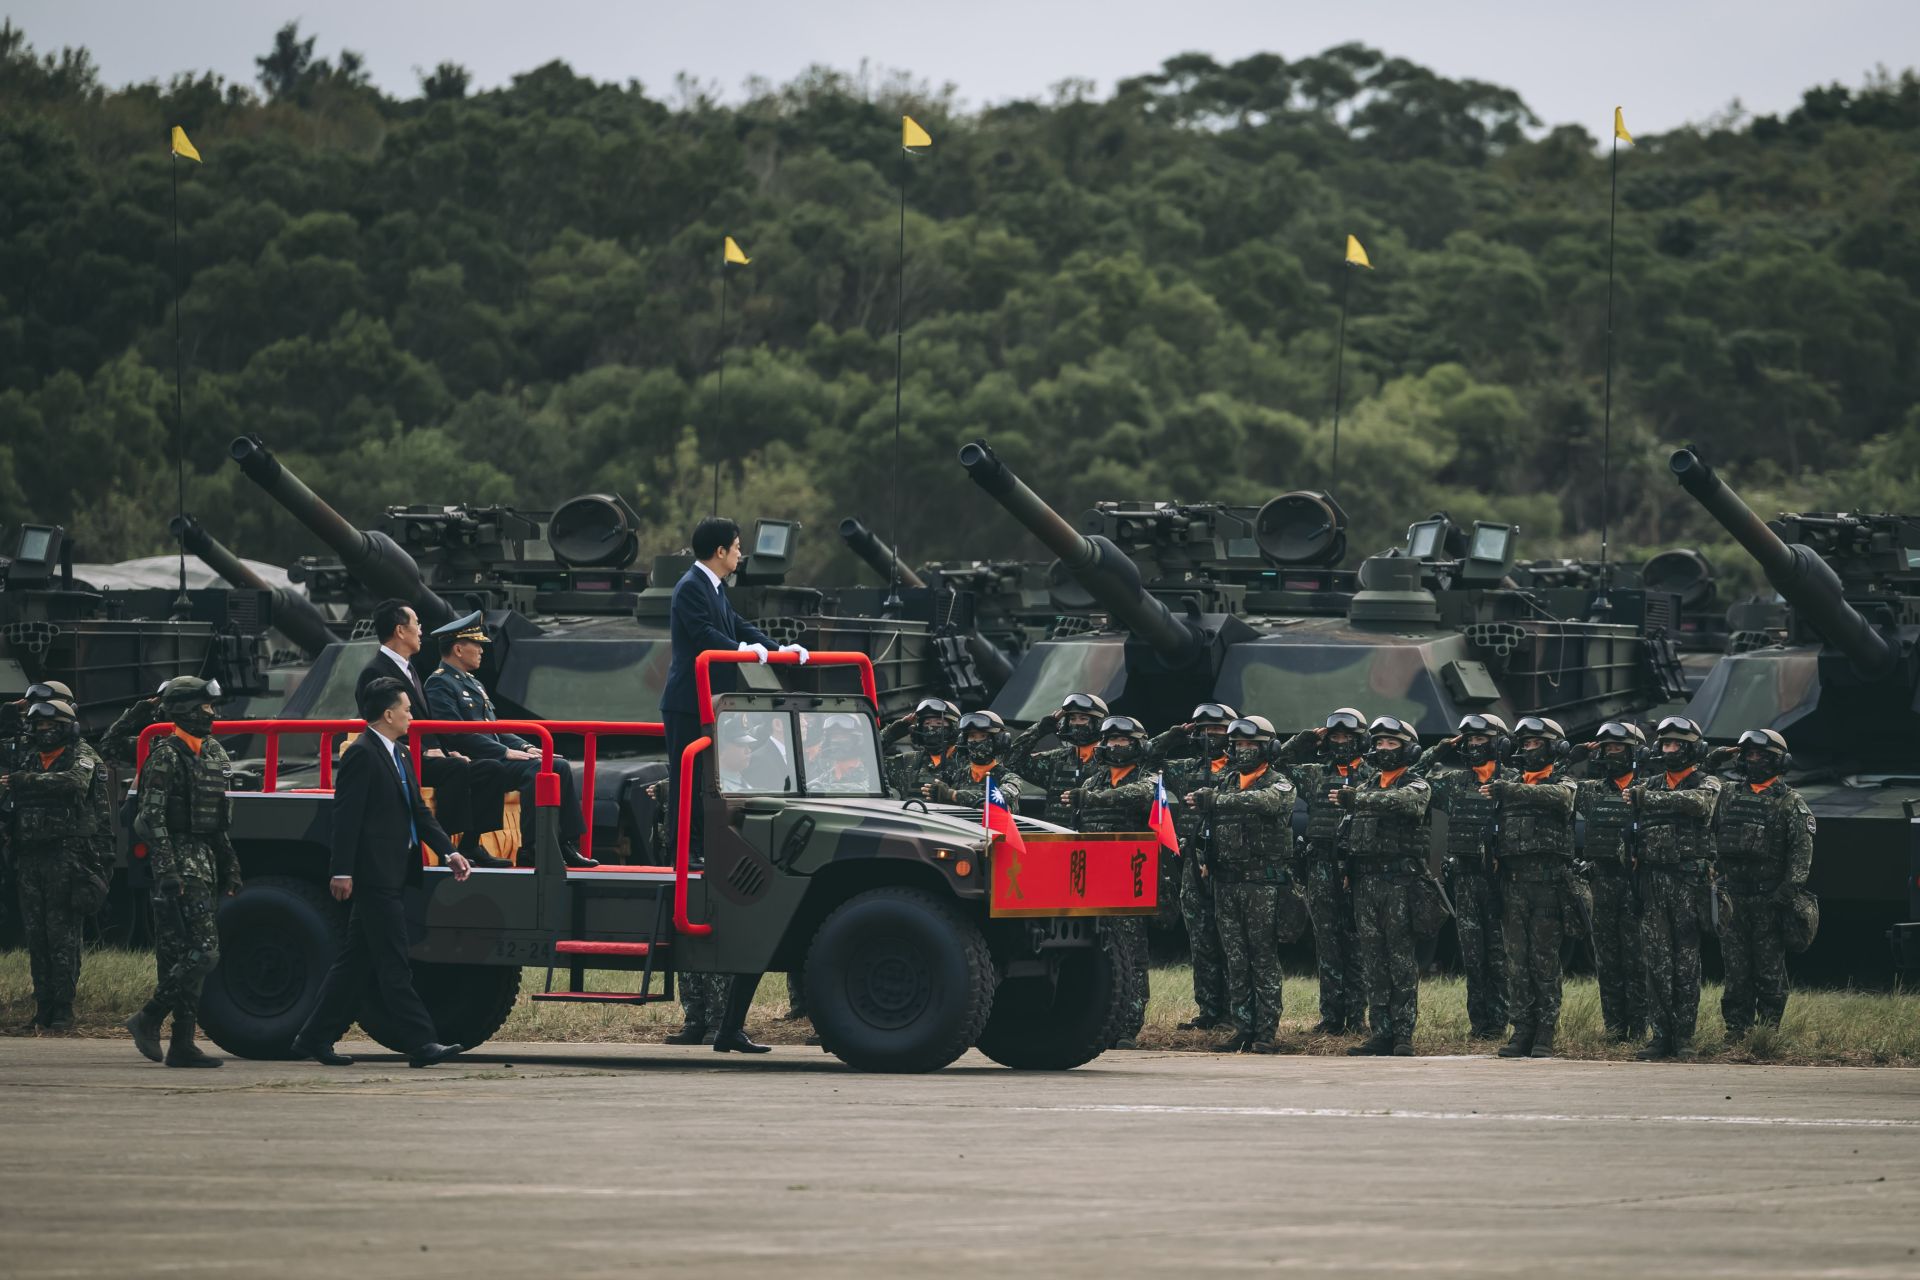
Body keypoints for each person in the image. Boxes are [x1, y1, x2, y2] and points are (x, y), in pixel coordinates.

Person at [657, 515, 808, 1055]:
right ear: (720, 550)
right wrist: (755, 655)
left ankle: (703, 843)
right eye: (738, 548)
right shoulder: (691, 588)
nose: (742, 555)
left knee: (713, 785)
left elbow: (739, 628)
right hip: (686, 701)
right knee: (689, 782)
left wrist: (780, 650)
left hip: (712, 700)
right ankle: (691, 847)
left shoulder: (715, 587)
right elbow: (707, 639)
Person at [291, 678, 471, 1069]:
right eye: (406, 708)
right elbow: (346, 816)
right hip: (373, 876)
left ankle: (313, 1036)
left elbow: (418, 813)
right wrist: (341, 870)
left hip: (396, 872)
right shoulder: (362, 754)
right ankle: (422, 1043)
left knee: (355, 962)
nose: (411, 714)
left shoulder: (402, 754)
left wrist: (450, 851)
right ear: (388, 714)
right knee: (393, 961)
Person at [124, 677, 244, 1068]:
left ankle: (182, 1043)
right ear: (182, 710)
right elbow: (148, 819)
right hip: (179, 864)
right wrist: (167, 869)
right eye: (203, 707)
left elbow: (218, 819)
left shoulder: (212, 753)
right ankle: (149, 1016)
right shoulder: (165, 756)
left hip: (205, 861)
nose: (211, 713)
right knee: (204, 952)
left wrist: (230, 865)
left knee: (191, 953)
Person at [424, 611, 598, 868]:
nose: (482, 650)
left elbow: (496, 727)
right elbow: (456, 733)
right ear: (459, 649)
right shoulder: (439, 683)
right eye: (477, 645)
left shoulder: (473, 684)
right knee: (535, 771)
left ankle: (564, 843)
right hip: (476, 760)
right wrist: (503, 753)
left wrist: (525, 746)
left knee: (557, 765)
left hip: (493, 755)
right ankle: (532, 847)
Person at [356, 598, 514, 867]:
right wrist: (428, 750)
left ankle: (470, 845)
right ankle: (444, 847)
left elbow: (426, 720)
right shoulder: (376, 671)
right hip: (400, 756)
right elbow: (382, 724)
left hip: (425, 752)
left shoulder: (410, 668)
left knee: (490, 769)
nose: (420, 630)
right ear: (399, 631)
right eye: (416, 624)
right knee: (454, 769)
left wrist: (447, 748)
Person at [1, 699, 112, 1032]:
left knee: (62, 937)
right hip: (30, 858)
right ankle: (43, 1011)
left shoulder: (82, 755)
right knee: (37, 938)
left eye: (51, 727)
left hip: (66, 859)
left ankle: (63, 1012)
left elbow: (76, 782)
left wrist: (25, 781)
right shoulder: (30, 757)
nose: (44, 732)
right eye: (39, 727)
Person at [1187, 716, 1294, 1053]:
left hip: (1261, 885)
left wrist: (1214, 800)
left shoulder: (1280, 784)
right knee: (1235, 959)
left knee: (1262, 958)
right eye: (1239, 745)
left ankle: (1266, 1031)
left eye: (1252, 744)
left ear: (1268, 748)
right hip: (1226, 884)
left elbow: (1268, 803)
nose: (1244, 750)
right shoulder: (1224, 783)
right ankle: (1242, 1026)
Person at [1058, 714, 1159, 1048]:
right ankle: (1096, 1019)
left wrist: (1091, 800)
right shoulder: (1093, 781)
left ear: (1138, 744)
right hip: (1094, 878)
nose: (1116, 746)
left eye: (1123, 741)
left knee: (1131, 954)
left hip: (1129, 878)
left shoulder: (1148, 779)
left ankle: (1129, 1024)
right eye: (1111, 741)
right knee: (1094, 952)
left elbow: (1136, 796)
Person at [1333, 716, 1431, 1057]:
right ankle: (1381, 1032)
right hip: (1366, 883)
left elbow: (1404, 803)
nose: (1383, 749)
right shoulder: (1364, 787)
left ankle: (1403, 1033)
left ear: (1408, 749)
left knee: (1400, 960)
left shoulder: (1417, 785)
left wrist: (1357, 801)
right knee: (1373, 961)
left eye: (1391, 743)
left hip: (1400, 885)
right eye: (1379, 743)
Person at [1709, 729, 1814, 1038]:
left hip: (1770, 899)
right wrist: (1725, 753)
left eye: (1761, 755)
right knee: (1736, 970)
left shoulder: (1790, 802)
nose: (1754, 760)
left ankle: (1768, 1032)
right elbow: (1698, 771)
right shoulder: (1727, 794)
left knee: (1768, 971)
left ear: (1778, 761)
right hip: (1734, 899)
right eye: (1749, 754)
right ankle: (1737, 1029)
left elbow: (1801, 854)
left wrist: (1786, 893)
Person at [1628, 716, 1721, 1060]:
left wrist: (1645, 799)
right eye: (1665, 744)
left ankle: (1685, 1038)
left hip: (1688, 884)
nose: (1668, 750)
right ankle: (1660, 1036)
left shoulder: (1707, 782)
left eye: (1675, 744)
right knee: (1656, 964)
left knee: (1685, 964)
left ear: (1692, 749)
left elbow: (1698, 804)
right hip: (1653, 883)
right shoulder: (1650, 782)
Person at [1485, 717, 1578, 1059]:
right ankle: (1522, 1029)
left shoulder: (1562, 781)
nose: (1528, 749)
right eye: (1524, 744)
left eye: (1535, 743)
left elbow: (1561, 798)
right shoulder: (1508, 783)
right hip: (1513, 885)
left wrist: (1511, 790)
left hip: (1548, 888)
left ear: (1553, 746)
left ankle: (1545, 1032)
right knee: (1516, 963)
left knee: (1544, 962)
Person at [1273, 708, 1371, 1035]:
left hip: (1354, 865)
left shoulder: (1372, 774)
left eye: (1347, 737)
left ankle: (1356, 1018)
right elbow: (1276, 763)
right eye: (1336, 737)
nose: (1341, 742)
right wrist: (1305, 738)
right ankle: (1331, 1018)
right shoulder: (1315, 774)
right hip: (1319, 865)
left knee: (1355, 941)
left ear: (1360, 740)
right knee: (1326, 941)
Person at [1420, 714, 1512, 1041]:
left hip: (1501, 880)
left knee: (1498, 954)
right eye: (1470, 740)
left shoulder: (1513, 781)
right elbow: (1414, 776)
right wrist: (1441, 748)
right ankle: (1479, 1025)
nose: (1474, 745)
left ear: (1498, 742)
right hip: (1465, 877)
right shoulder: (1455, 781)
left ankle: (1499, 1022)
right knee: (1472, 955)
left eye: (1481, 739)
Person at [1152, 702, 1237, 1032]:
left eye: (1218, 729)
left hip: (1227, 861)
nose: (1210, 736)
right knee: (1200, 938)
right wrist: (1174, 735)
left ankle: (1233, 1012)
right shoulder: (1185, 768)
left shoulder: (1242, 769)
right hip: (1192, 861)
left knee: (1229, 939)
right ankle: (1209, 1010)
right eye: (1204, 730)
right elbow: (1148, 757)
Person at [1571, 722, 1648, 1041]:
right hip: (1601, 884)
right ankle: (1614, 1028)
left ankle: (1639, 1028)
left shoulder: (1649, 789)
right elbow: (1552, 779)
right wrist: (1571, 755)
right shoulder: (1591, 791)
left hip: (1636, 886)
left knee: (1637, 959)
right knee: (1607, 960)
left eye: (1616, 747)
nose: (1609, 753)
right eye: (1605, 748)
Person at [1003, 692, 1109, 826]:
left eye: (1083, 718)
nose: (1076, 724)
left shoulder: (1112, 760)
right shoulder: (1057, 759)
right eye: (1072, 719)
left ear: (1098, 723)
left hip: (1095, 840)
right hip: (1057, 838)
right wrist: (1040, 729)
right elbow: (1012, 761)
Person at [925, 711, 1022, 808]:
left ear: (999, 741)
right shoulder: (956, 776)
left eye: (983, 736)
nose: (975, 741)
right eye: (971, 736)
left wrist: (953, 795)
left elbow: (1000, 798)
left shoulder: (1010, 778)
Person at [882, 698, 960, 800]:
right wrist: (892, 733)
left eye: (939, 724)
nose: (931, 728)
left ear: (953, 728)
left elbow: (984, 797)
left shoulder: (967, 763)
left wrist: (952, 795)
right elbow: (865, 758)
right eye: (927, 723)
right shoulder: (907, 762)